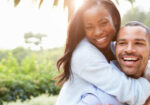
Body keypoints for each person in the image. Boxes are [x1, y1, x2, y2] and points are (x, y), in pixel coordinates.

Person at [55, 0, 150, 105]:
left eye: (103, 23)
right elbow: (134, 94)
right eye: (89, 27)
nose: (98, 32)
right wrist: (147, 78)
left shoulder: (113, 47)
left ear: (114, 19)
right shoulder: (84, 54)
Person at [78, 21, 150, 105]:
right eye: (122, 43)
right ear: (115, 48)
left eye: (138, 43)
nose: (129, 49)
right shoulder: (97, 98)